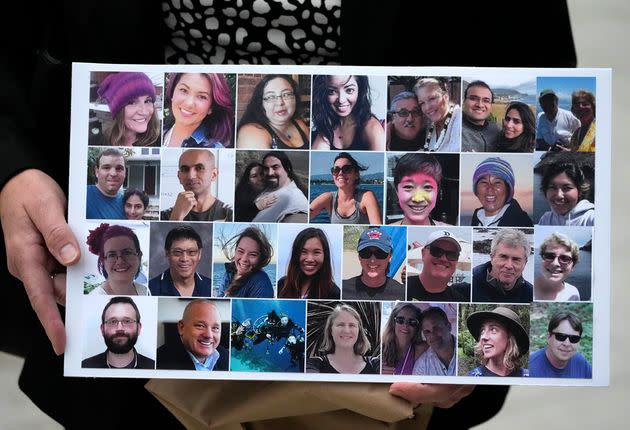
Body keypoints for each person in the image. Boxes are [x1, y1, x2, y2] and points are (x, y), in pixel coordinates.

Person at [2, 2, 578, 427]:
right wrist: (14, 168)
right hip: (126, 378)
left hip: (385, 401)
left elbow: (527, 45)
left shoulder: (360, 238)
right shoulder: (204, 238)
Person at [311, 75, 385, 151]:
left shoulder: (373, 128)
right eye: (332, 91)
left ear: (360, 90)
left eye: (349, 90)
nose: (341, 100)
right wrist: (325, 131)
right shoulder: (324, 124)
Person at [236, 74, 310, 149]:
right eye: (271, 97)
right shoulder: (251, 133)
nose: (280, 102)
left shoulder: (300, 124)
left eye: (286, 94)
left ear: (295, 98)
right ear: (260, 103)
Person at [162, 72, 234, 148]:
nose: (189, 103)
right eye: (184, 90)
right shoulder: (158, 134)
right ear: (172, 92)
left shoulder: (216, 149)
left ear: (211, 107)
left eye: (202, 97)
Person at [160, 148, 233, 221]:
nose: (191, 176)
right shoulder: (164, 216)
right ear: (179, 176)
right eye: (185, 169)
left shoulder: (230, 214)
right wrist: (176, 218)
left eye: (199, 168)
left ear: (213, 175)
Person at [82, 296, 155, 369]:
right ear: (102, 329)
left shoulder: (153, 367)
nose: (120, 328)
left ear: (138, 328)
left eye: (127, 321)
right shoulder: (85, 366)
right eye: (113, 321)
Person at [309, 152, 382, 224]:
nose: (340, 173)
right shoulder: (328, 198)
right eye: (336, 170)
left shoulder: (366, 197)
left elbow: (377, 227)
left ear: (356, 174)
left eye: (346, 169)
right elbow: (306, 214)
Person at [306, 304, 380, 374]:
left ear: (359, 331)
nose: (346, 331)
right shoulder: (314, 364)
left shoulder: (374, 363)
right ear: (330, 331)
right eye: (340, 325)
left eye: (352, 325)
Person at [157, 299, 228, 371]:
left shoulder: (226, 356)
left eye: (215, 328)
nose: (209, 335)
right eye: (200, 326)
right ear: (182, 328)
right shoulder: (159, 361)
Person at [93, 71, 160, 147]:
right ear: (117, 109)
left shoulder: (161, 142)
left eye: (148, 101)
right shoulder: (98, 142)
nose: (144, 112)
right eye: (132, 102)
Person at [407, 230, 470, 302]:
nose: (444, 259)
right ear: (423, 253)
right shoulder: (403, 290)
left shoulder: (460, 300)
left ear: (457, 260)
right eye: (436, 251)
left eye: (452, 254)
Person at [85, 223, 148, 296]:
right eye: (112, 255)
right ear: (103, 261)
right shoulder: (95, 297)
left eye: (127, 253)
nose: (120, 261)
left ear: (139, 257)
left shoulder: (145, 291)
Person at [342, 227, 404, 300]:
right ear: (359, 256)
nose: (372, 260)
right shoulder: (342, 289)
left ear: (390, 256)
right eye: (366, 253)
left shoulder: (402, 293)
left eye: (380, 253)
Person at [472, 228, 533, 303]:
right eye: (503, 257)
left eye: (516, 259)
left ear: (525, 263)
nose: (509, 266)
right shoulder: (470, 286)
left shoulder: (531, 294)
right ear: (492, 257)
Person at [277, 227, 340, 299]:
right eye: (303, 252)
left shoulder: (334, 293)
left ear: (325, 255)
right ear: (295, 254)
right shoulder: (282, 285)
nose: (310, 259)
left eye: (316, 252)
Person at [149, 226, 212, 297]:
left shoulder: (210, 286)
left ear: (199, 254)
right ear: (167, 254)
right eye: (178, 252)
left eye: (191, 252)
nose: (184, 259)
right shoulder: (150, 290)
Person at [389, 153, 451, 226]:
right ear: (397, 191)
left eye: (427, 187)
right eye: (408, 187)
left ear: (437, 191)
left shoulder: (450, 231)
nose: (418, 199)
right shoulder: (386, 232)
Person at [466, 306, 529, 377]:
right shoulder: (472, 378)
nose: (483, 337)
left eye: (493, 330)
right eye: (482, 331)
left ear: (510, 338)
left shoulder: (527, 378)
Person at [470, 156, 533, 227]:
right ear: (476, 190)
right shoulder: (476, 218)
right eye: (484, 182)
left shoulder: (522, 223)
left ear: (508, 189)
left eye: (497, 182)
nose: (490, 188)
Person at [529, 310, 592, 378]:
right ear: (548, 337)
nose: (567, 344)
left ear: (579, 342)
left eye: (574, 338)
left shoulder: (582, 364)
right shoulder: (530, 369)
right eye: (561, 337)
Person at [252, 151, 309, 223]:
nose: (270, 173)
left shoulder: (294, 196)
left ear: (287, 169)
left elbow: (299, 219)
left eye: (275, 167)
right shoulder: (264, 188)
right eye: (266, 168)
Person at [218, 226, 274, 298]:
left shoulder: (261, 283)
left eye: (252, 255)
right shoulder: (228, 272)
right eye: (241, 251)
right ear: (235, 250)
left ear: (260, 258)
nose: (244, 259)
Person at [538, 159, 594, 226]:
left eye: (567, 188)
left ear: (579, 191)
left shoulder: (591, 218)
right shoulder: (546, 219)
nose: (559, 195)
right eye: (552, 187)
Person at [413, 77, 461, 152]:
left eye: (432, 99)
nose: (427, 107)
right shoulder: (430, 123)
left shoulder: (461, 121)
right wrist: (389, 127)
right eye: (422, 103)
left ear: (446, 96)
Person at [381, 303, 427, 375]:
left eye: (412, 322)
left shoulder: (422, 349)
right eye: (400, 320)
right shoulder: (381, 348)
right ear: (393, 323)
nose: (405, 325)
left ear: (417, 327)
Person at [534, 233, 581, 301]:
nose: (555, 263)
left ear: (572, 266)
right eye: (549, 256)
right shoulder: (528, 290)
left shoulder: (573, 293)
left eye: (565, 258)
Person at [413, 307, 456, 376]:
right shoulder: (422, 366)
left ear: (449, 326)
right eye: (427, 332)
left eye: (437, 328)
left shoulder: (465, 353)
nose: (432, 334)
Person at [86, 148, 127, 219]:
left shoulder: (127, 202)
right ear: (97, 172)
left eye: (119, 168)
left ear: (125, 173)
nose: (113, 174)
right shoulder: (82, 195)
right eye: (106, 168)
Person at [460, 80, 501, 152]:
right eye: (473, 98)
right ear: (464, 101)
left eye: (486, 100)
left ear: (491, 105)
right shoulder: (455, 131)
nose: (480, 105)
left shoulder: (497, 131)